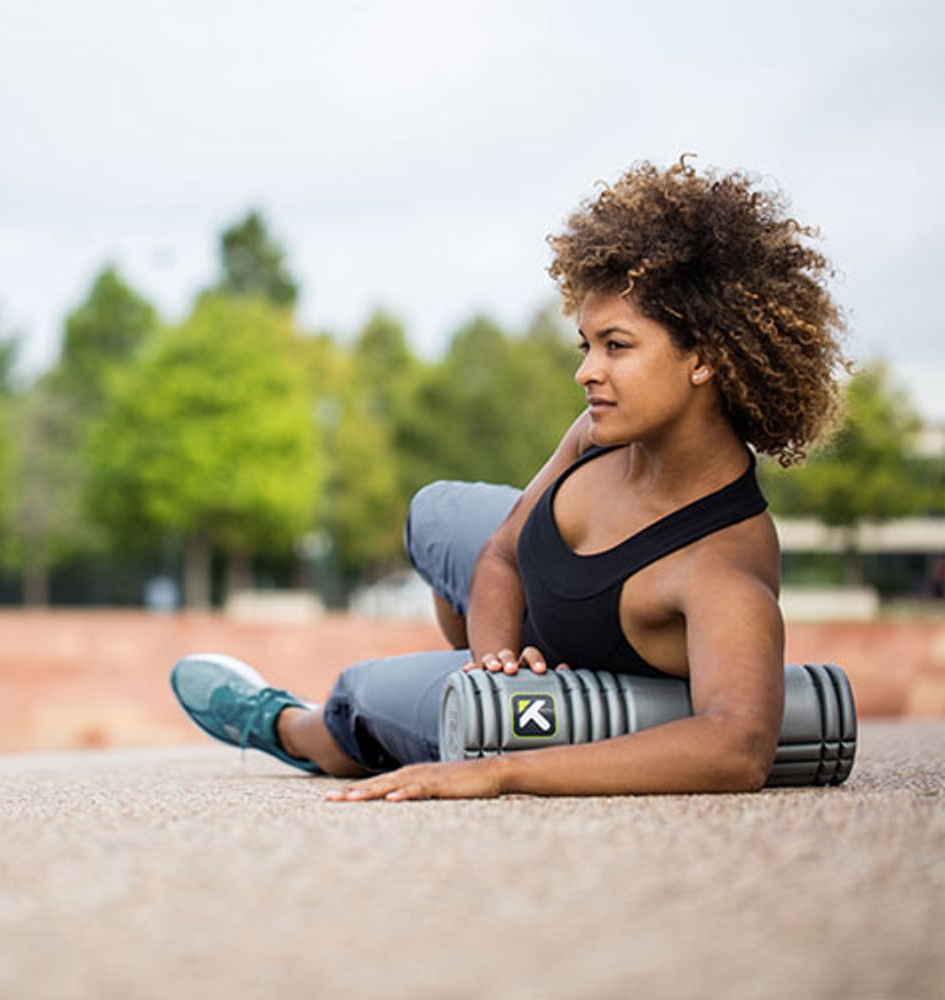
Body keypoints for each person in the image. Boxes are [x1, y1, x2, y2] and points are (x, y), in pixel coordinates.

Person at [170, 155, 848, 801]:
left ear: (704, 358)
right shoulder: (597, 436)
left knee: (364, 693)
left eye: (617, 346)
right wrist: (494, 667)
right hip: (532, 615)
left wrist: (499, 767)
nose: (586, 372)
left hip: (578, 662)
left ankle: (290, 726)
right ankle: (474, 660)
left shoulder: (722, 567)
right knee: (434, 514)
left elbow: (737, 749)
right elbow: (498, 551)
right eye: (587, 345)